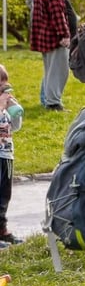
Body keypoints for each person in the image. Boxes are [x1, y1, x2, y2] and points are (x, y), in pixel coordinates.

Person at [30, 0, 72, 111]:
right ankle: (54, 103)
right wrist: (65, 35)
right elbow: (58, 16)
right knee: (60, 71)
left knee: (49, 71)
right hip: (55, 39)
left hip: (43, 38)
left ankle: (49, 101)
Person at [0, 66, 23, 248]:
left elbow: (14, 128)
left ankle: (2, 230)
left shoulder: (4, 106)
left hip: (6, 154)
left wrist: (13, 110)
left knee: (4, 195)